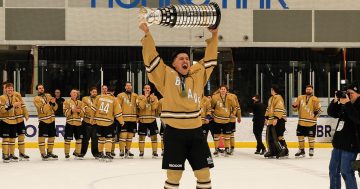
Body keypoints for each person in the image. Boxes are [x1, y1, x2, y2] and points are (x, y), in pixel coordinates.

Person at [140, 20, 218, 189]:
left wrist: (214, 35)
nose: (186, 61)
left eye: (187, 59)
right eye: (181, 58)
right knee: (174, 176)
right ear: (174, 63)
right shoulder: (166, 75)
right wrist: (147, 35)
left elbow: (210, 59)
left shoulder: (197, 74)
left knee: (204, 173)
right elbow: (152, 58)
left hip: (196, 132)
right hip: (174, 133)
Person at [328, 82, 360, 189]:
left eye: (351, 93)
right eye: (347, 93)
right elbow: (332, 113)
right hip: (338, 144)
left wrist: (347, 104)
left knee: (346, 172)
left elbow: (357, 119)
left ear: (358, 94)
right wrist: (335, 100)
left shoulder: (355, 105)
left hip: (351, 145)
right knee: (333, 170)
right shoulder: (346, 104)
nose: (349, 95)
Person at [91, 86, 124, 161]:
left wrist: (92, 118)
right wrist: (121, 121)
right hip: (108, 122)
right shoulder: (114, 99)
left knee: (101, 139)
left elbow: (93, 109)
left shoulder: (99, 97)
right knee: (108, 139)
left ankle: (100, 153)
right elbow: (118, 113)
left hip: (99, 121)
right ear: (112, 93)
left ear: (106, 91)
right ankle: (108, 154)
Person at [2, 81, 30, 160]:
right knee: (9, 137)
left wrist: (26, 114)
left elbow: (23, 104)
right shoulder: (3, 97)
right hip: (10, 119)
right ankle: (8, 154)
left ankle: (21, 153)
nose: (6, 89)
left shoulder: (17, 94)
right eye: (5, 88)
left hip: (19, 118)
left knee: (21, 136)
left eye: (7, 87)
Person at [292, 85, 322, 158]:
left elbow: (319, 110)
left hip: (311, 122)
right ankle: (301, 150)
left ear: (312, 90)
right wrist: (294, 106)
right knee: (300, 136)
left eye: (310, 89)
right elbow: (295, 110)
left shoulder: (315, 99)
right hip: (301, 121)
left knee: (311, 137)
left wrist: (314, 114)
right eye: (307, 89)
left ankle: (311, 149)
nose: (308, 90)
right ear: (305, 90)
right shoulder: (300, 97)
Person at [33, 84, 58, 160]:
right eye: (39, 88)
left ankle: (50, 152)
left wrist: (53, 103)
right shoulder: (36, 99)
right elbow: (43, 110)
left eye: (42, 88)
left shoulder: (48, 95)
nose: (41, 89)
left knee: (52, 137)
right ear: (37, 90)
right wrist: (50, 103)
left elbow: (55, 108)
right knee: (42, 138)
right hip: (43, 120)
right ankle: (43, 153)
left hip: (52, 120)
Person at [211, 86, 238, 157]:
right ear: (219, 90)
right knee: (216, 135)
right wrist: (212, 112)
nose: (223, 90)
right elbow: (211, 106)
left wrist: (233, 114)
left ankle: (227, 149)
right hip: (217, 119)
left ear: (226, 91)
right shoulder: (215, 97)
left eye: (224, 89)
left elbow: (235, 107)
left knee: (227, 136)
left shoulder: (231, 98)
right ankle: (216, 149)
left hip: (227, 120)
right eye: (221, 89)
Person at [264, 85, 288, 159]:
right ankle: (272, 151)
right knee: (270, 137)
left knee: (278, 136)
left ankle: (283, 150)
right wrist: (266, 118)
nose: (271, 91)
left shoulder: (279, 98)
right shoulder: (271, 98)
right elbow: (268, 108)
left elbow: (279, 107)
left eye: (271, 90)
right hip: (271, 120)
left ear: (274, 90)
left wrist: (276, 118)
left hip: (279, 120)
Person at [0, 83, 22, 162]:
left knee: (12, 139)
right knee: (6, 138)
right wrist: (13, 105)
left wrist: (17, 107)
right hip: (5, 120)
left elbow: (18, 111)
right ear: (5, 89)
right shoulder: (2, 98)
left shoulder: (15, 98)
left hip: (13, 121)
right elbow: (2, 110)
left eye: (11, 89)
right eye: (8, 89)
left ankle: (12, 154)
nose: (10, 90)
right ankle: (5, 154)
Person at [137, 84, 159, 158]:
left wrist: (152, 100)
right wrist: (145, 98)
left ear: (150, 90)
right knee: (141, 137)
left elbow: (154, 107)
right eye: (146, 88)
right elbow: (141, 107)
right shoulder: (139, 97)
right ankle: (141, 152)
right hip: (142, 120)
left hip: (152, 119)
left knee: (154, 137)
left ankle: (155, 152)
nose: (147, 89)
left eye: (148, 88)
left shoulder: (155, 97)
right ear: (143, 89)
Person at [117, 82, 138, 158]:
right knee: (123, 135)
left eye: (130, 86)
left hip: (133, 119)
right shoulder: (120, 95)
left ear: (131, 87)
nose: (128, 87)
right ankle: (121, 150)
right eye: (127, 86)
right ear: (125, 87)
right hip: (124, 119)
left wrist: (137, 117)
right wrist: (120, 118)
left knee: (130, 136)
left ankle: (127, 150)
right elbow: (118, 107)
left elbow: (137, 106)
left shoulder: (135, 95)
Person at [63, 89, 85, 160]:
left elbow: (83, 114)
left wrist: (79, 112)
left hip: (78, 123)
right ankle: (66, 154)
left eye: (76, 93)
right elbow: (65, 113)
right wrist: (71, 110)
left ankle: (77, 153)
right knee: (67, 139)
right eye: (73, 92)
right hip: (70, 123)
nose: (75, 94)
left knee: (79, 139)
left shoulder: (81, 103)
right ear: (70, 94)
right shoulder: (66, 102)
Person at [81, 87, 99, 158]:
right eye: (93, 92)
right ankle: (82, 152)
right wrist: (94, 110)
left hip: (96, 122)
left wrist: (90, 109)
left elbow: (100, 110)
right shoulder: (85, 98)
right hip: (86, 122)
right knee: (85, 139)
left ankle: (95, 153)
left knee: (95, 139)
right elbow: (84, 109)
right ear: (90, 92)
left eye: (96, 92)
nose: (95, 93)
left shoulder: (99, 99)